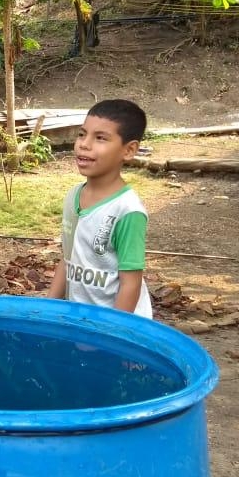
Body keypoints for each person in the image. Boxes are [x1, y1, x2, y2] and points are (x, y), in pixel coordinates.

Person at [46, 99, 153, 319]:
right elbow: (68, 261)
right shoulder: (73, 197)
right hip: (83, 322)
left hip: (119, 328)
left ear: (129, 150)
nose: (84, 144)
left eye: (100, 138)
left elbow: (130, 284)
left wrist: (109, 334)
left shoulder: (127, 211)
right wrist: (46, 313)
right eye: (82, 134)